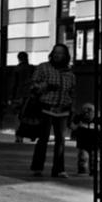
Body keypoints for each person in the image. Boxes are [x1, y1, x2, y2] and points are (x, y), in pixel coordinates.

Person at [29, 42, 76, 178]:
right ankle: (37, 167)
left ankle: (59, 169)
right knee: (43, 138)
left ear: (65, 56)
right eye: (55, 52)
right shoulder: (43, 68)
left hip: (63, 110)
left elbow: (72, 92)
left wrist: (72, 107)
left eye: (60, 53)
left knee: (61, 140)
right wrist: (45, 86)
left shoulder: (70, 74)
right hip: (46, 107)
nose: (57, 55)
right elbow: (33, 86)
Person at [71, 102, 102, 177]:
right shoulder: (79, 118)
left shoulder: (97, 119)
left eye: (90, 112)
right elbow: (72, 126)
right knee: (83, 157)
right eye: (85, 112)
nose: (87, 114)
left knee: (95, 158)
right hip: (83, 142)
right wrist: (78, 126)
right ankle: (82, 170)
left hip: (95, 143)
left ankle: (95, 171)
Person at [9, 51, 33, 142]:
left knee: (18, 116)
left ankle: (19, 136)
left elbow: (13, 84)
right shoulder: (31, 68)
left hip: (19, 95)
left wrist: (11, 97)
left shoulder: (17, 69)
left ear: (18, 58)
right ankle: (30, 134)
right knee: (28, 116)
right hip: (30, 96)